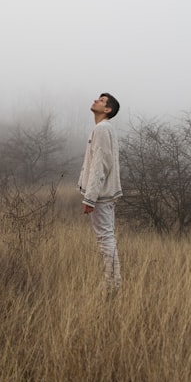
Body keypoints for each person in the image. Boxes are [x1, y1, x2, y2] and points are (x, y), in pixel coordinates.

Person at [78, 92, 122, 292]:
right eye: (98, 98)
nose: (96, 100)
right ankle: (112, 283)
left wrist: (90, 197)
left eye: (102, 101)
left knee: (105, 238)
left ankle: (112, 285)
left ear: (107, 110)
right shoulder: (102, 128)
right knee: (106, 237)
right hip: (103, 194)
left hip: (101, 195)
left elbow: (100, 164)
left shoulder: (103, 129)